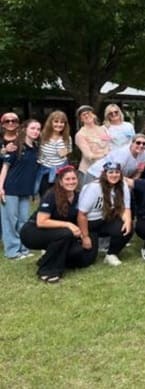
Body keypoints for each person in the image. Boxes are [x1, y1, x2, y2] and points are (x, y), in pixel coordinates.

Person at [19, 166, 94, 283]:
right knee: (66, 233)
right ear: (60, 181)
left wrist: (85, 236)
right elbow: (41, 221)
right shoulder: (51, 195)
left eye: (74, 179)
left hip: (57, 233)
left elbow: (81, 217)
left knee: (80, 253)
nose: (71, 182)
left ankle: (46, 260)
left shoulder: (78, 196)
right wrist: (68, 225)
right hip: (32, 232)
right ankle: (47, 271)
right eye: (67, 179)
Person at [76, 161, 133, 266]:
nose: (114, 175)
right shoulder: (94, 188)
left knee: (126, 228)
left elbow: (126, 207)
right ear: (104, 173)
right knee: (87, 260)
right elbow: (81, 215)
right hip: (90, 223)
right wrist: (85, 236)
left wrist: (128, 221)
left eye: (117, 172)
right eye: (110, 172)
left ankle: (111, 254)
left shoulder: (122, 185)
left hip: (106, 219)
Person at [0, 119, 41, 259]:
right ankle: (12, 251)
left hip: (25, 190)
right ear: (25, 129)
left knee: (23, 220)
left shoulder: (36, 149)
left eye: (38, 129)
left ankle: (23, 248)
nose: (35, 131)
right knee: (10, 220)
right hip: (10, 188)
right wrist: (0, 188)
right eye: (33, 128)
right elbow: (5, 168)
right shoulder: (15, 146)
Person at [37, 110, 72, 197]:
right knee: (45, 198)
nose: (59, 124)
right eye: (56, 121)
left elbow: (64, 154)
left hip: (61, 171)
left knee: (61, 199)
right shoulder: (42, 136)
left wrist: (60, 141)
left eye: (62, 122)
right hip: (45, 171)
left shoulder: (67, 138)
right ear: (50, 122)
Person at [75, 105, 111, 186]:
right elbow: (89, 155)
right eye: (84, 115)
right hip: (89, 171)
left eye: (88, 113)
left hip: (104, 170)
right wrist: (105, 154)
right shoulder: (80, 134)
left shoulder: (103, 129)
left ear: (94, 114)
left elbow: (108, 145)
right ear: (81, 119)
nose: (87, 116)